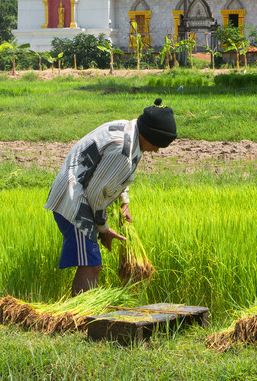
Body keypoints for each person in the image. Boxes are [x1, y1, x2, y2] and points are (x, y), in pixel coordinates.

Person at [44, 98, 177, 294]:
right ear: (149, 136)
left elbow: (118, 177)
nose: (156, 150)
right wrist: (103, 228)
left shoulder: (131, 132)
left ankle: (86, 314)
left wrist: (124, 203)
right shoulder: (121, 150)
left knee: (91, 263)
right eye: (158, 145)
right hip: (74, 202)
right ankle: (82, 319)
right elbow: (96, 195)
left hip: (80, 197)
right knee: (90, 264)